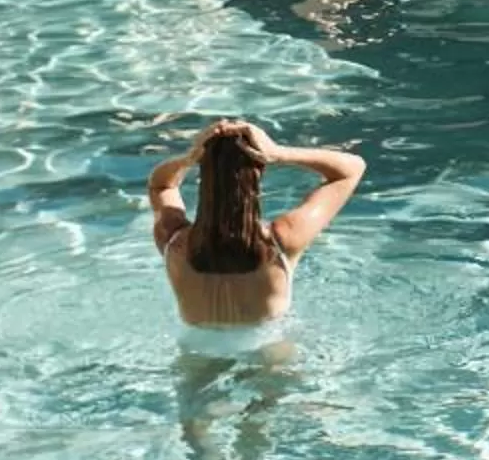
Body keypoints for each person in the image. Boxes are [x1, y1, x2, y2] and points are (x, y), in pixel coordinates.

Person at [146, 120, 365, 327]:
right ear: (260, 171)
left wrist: (188, 158)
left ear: (202, 172)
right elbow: (351, 170)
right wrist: (279, 153)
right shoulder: (281, 241)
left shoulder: (174, 241)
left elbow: (162, 186)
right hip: (272, 352)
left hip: (195, 353)